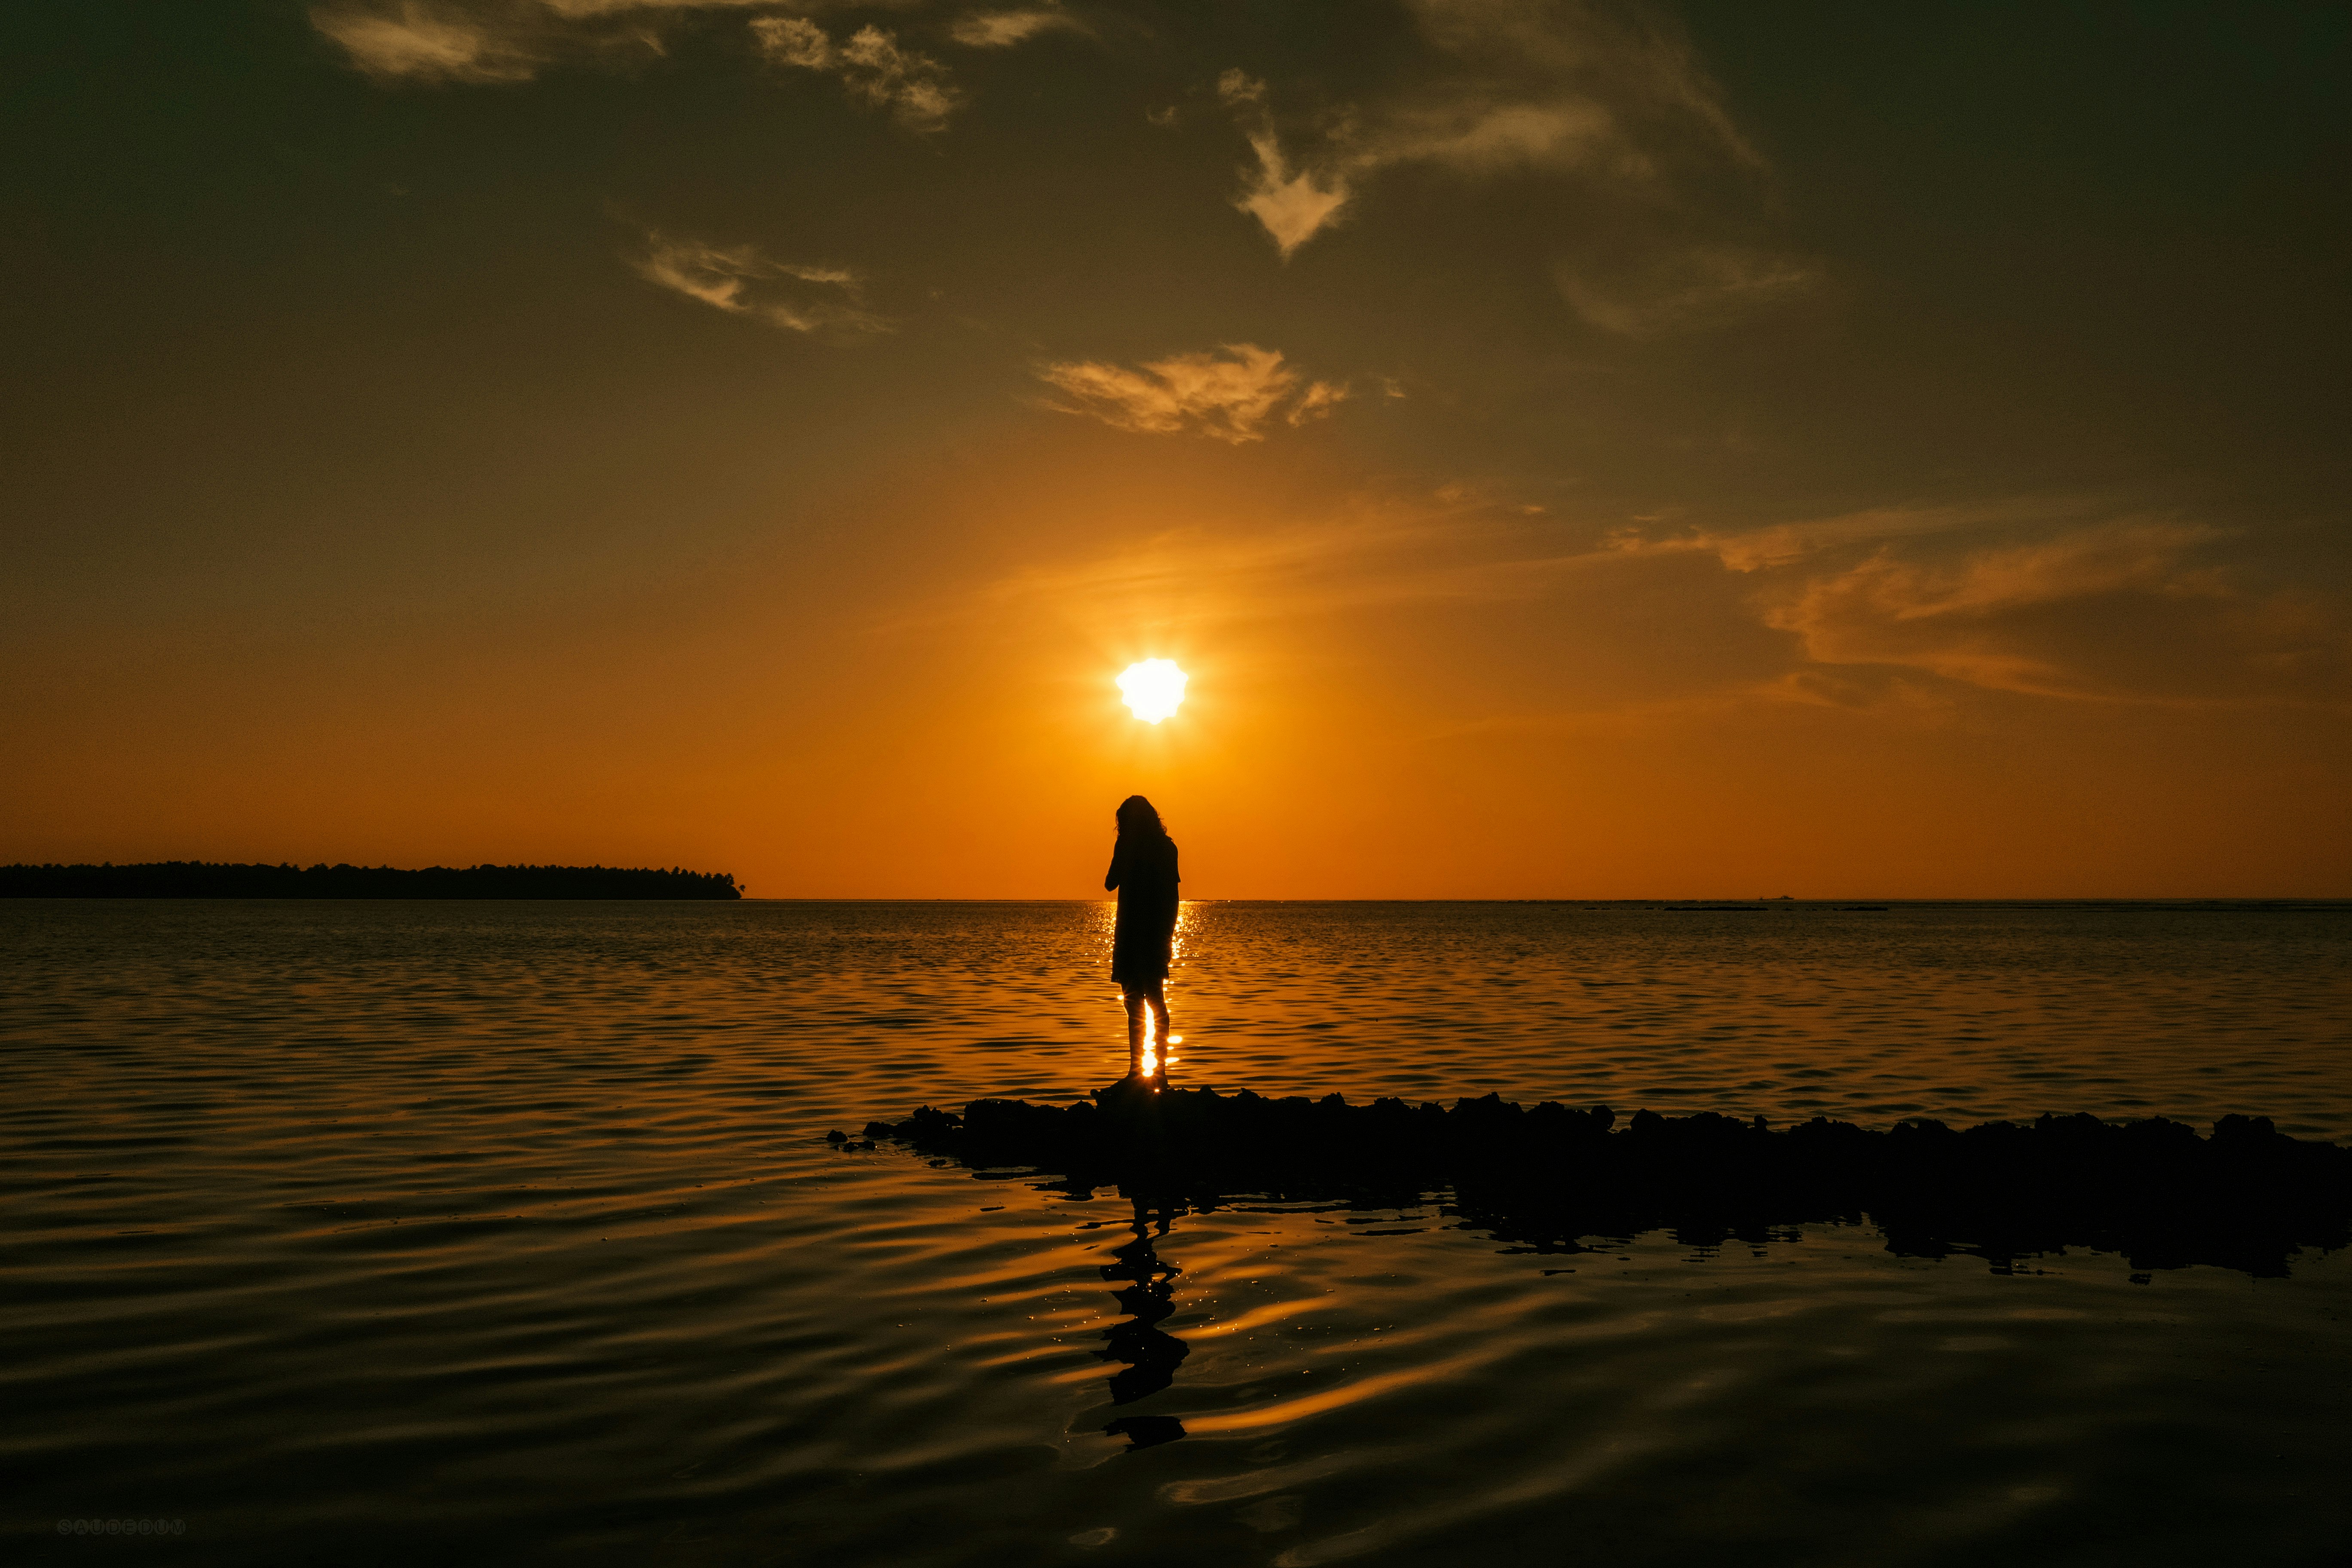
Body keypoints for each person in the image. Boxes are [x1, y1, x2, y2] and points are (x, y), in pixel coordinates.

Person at [1105, 795, 1179, 1080]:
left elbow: (1110, 883)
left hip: (1138, 935)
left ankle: (1146, 1069)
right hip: (1145, 934)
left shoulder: (1143, 847)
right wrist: (1167, 936)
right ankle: (1150, 1070)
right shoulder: (1165, 848)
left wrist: (1123, 849)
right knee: (1145, 1000)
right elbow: (1172, 896)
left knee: (1141, 1000)